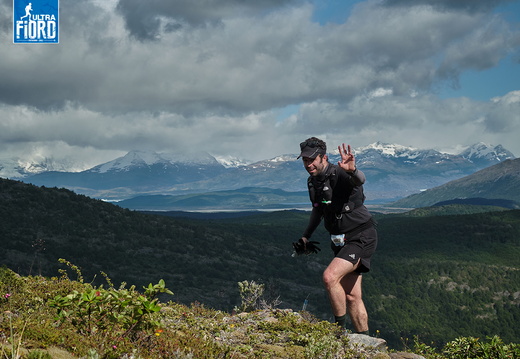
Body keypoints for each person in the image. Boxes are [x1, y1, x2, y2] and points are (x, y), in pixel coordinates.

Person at [293, 137, 377, 335]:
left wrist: (352, 170)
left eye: (312, 160)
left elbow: (360, 180)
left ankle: (339, 334)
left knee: (330, 277)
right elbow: (318, 210)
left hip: (360, 235)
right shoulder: (313, 181)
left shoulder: (340, 172)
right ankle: (366, 344)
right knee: (352, 296)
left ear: (324, 157)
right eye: (305, 161)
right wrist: (306, 236)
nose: (308, 164)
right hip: (340, 240)